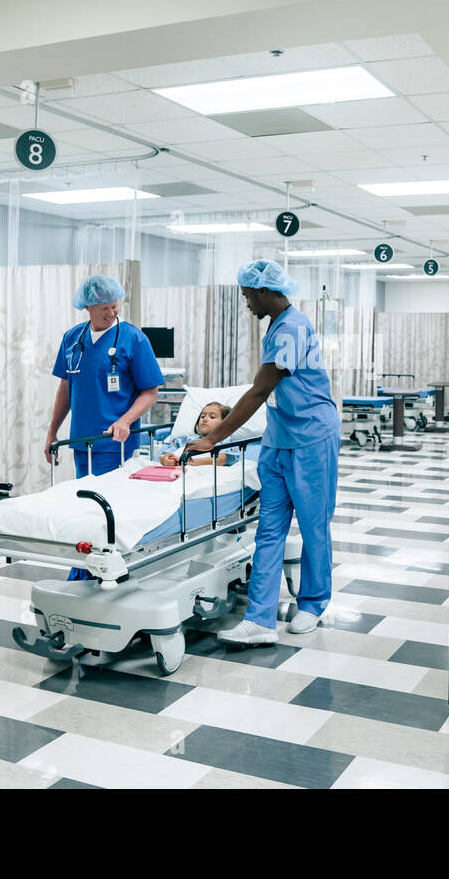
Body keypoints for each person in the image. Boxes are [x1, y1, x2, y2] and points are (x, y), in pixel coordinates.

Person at [183, 259, 339, 644]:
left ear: (266, 292)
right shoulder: (276, 326)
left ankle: (313, 604)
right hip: (279, 438)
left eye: (248, 295)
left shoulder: (293, 328)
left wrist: (212, 438)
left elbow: (259, 390)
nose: (247, 302)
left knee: (313, 525)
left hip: (312, 439)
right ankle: (260, 620)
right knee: (269, 530)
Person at [46, 274, 164, 579]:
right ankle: (85, 569)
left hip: (117, 444)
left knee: (111, 510)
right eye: (104, 308)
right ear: (87, 306)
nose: (112, 312)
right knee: (86, 508)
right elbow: (66, 389)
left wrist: (125, 420)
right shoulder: (73, 338)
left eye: (114, 306)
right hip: (82, 443)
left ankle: (113, 570)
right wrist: (51, 432)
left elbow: (150, 391)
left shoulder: (134, 339)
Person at [159, 403, 231, 467]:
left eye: (212, 417)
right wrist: (165, 459)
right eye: (202, 416)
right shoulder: (186, 440)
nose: (205, 419)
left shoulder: (224, 441)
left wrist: (188, 462)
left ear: (224, 423)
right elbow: (165, 454)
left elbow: (222, 459)